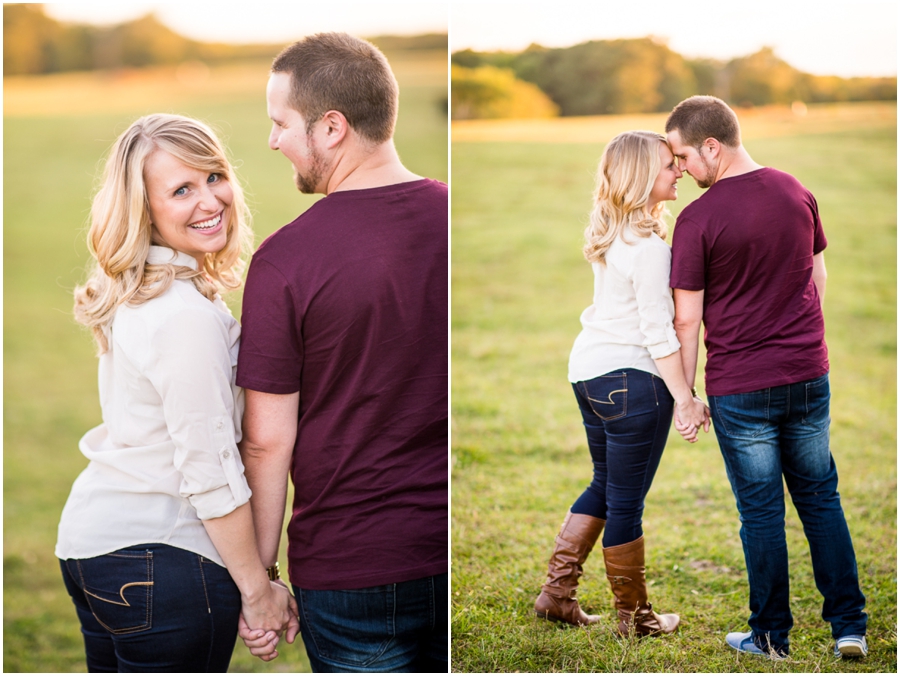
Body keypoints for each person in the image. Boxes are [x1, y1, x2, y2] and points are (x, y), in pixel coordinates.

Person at [234, 33, 448, 672]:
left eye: (281, 124)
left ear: (331, 127)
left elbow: (267, 441)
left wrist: (264, 575)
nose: (274, 141)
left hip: (353, 568)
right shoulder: (450, 215)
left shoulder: (284, 260)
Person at [57, 113, 299, 672]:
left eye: (214, 176)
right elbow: (209, 469)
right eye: (182, 189)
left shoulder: (148, 290)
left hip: (98, 546)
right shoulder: (182, 315)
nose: (210, 200)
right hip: (160, 554)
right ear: (145, 209)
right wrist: (259, 590)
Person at [666, 95, 868, 659]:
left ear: (711, 146)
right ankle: (849, 627)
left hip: (742, 385)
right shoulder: (794, 189)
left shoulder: (698, 219)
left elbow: (686, 318)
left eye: (683, 156)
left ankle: (771, 638)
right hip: (809, 374)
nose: (681, 169)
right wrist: (800, 340)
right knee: (821, 497)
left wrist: (686, 396)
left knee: (760, 512)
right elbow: (818, 273)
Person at [533, 130, 708, 637]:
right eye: (668, 165)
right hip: (633, 381)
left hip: (588, 372)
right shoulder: (650, 248)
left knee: (605, 485)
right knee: (626, 501)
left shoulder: (613, 230)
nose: (678, 170)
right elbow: (661, 331)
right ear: (640, 176)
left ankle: (556, 595)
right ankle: (635, 619)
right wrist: (686, 399)